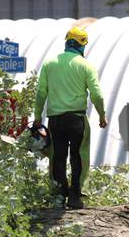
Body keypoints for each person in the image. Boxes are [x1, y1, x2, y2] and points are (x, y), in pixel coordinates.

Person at [33, 26, 108, 209]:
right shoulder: (86, 66)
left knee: (57, 156)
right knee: (79, 157)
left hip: (55, 121)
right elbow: (97, 95)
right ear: (82, 44)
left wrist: (37, 117)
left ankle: (59, 194)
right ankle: (75, 196)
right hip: (77, 120)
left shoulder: (49, 64)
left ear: (67, 42)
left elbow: (41, 93)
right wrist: (102, 115)